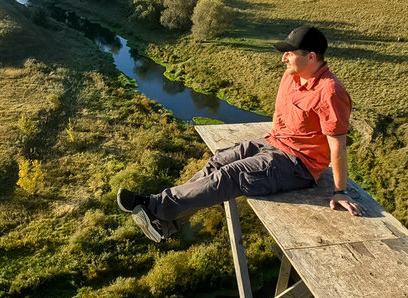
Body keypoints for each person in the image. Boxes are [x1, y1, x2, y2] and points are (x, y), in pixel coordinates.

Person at [118, 25, 362, 242]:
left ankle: (154, 205)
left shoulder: (330, 91)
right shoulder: (292, 76)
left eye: (290, 53)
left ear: (311, 57)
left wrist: (340, 191)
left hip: (298, 165)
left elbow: (337, 145)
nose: (283, 59)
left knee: (230, 175)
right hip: (272, 142)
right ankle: (166, 222)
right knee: (217, 162)